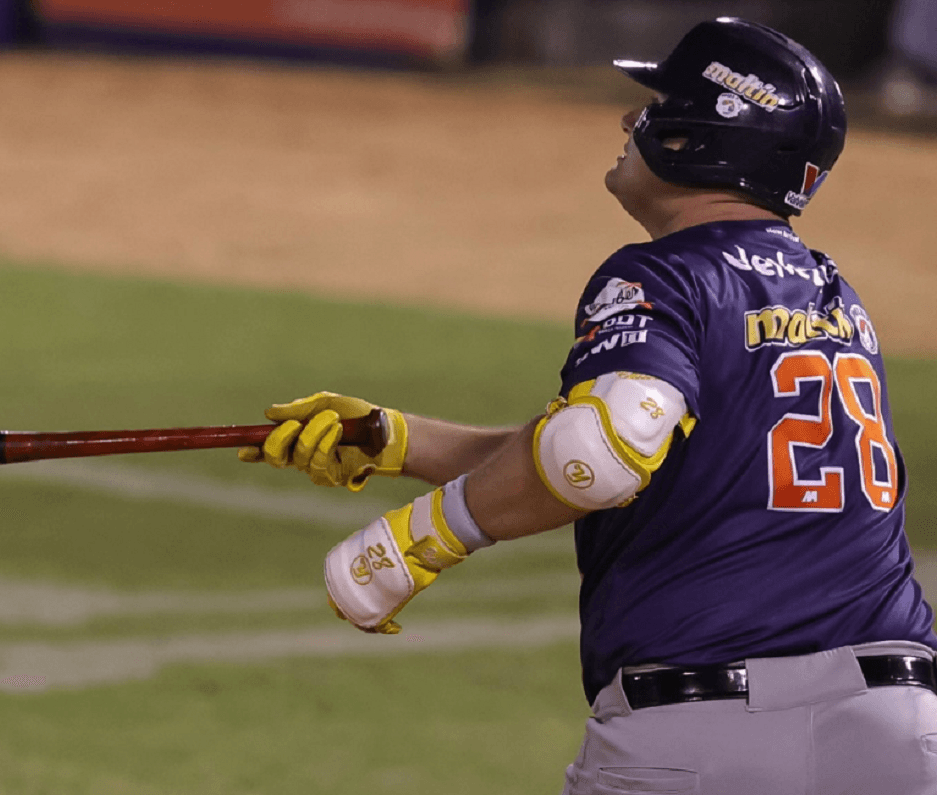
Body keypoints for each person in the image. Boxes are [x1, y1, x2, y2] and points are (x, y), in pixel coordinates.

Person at [238, 17, 937, 795]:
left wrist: (424, 536)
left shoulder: (664, 276)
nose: (631, 120)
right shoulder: (834, 294)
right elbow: (624, 446)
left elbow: (599, 452)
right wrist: (398, 439)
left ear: (694, 136)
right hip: (897, 729)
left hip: (704, 732)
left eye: (656, 103)